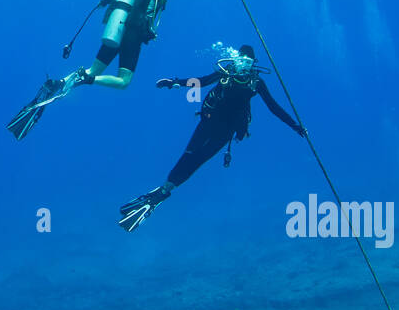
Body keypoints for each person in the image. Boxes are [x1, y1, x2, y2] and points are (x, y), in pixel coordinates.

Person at [6, 0, 219, 140]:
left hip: (114, 30)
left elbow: (101, 4)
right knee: (123, 80)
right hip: (133, 35)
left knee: (93, 69)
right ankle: (87, 79)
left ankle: (62, 82)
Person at [116, 45, 307, 232]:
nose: (244, 65)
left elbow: (273, 107)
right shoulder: (226, 73)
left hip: (227, 131)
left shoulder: (256, 82)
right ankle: (163, 189)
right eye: (241, 60)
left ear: (253, 63)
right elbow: (201, 81)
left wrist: (294, 126)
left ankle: (165, 190)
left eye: (248, 62)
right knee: (189, 155)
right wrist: (174, 83)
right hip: (208, 122)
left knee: (199, 160)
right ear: (235, 59)